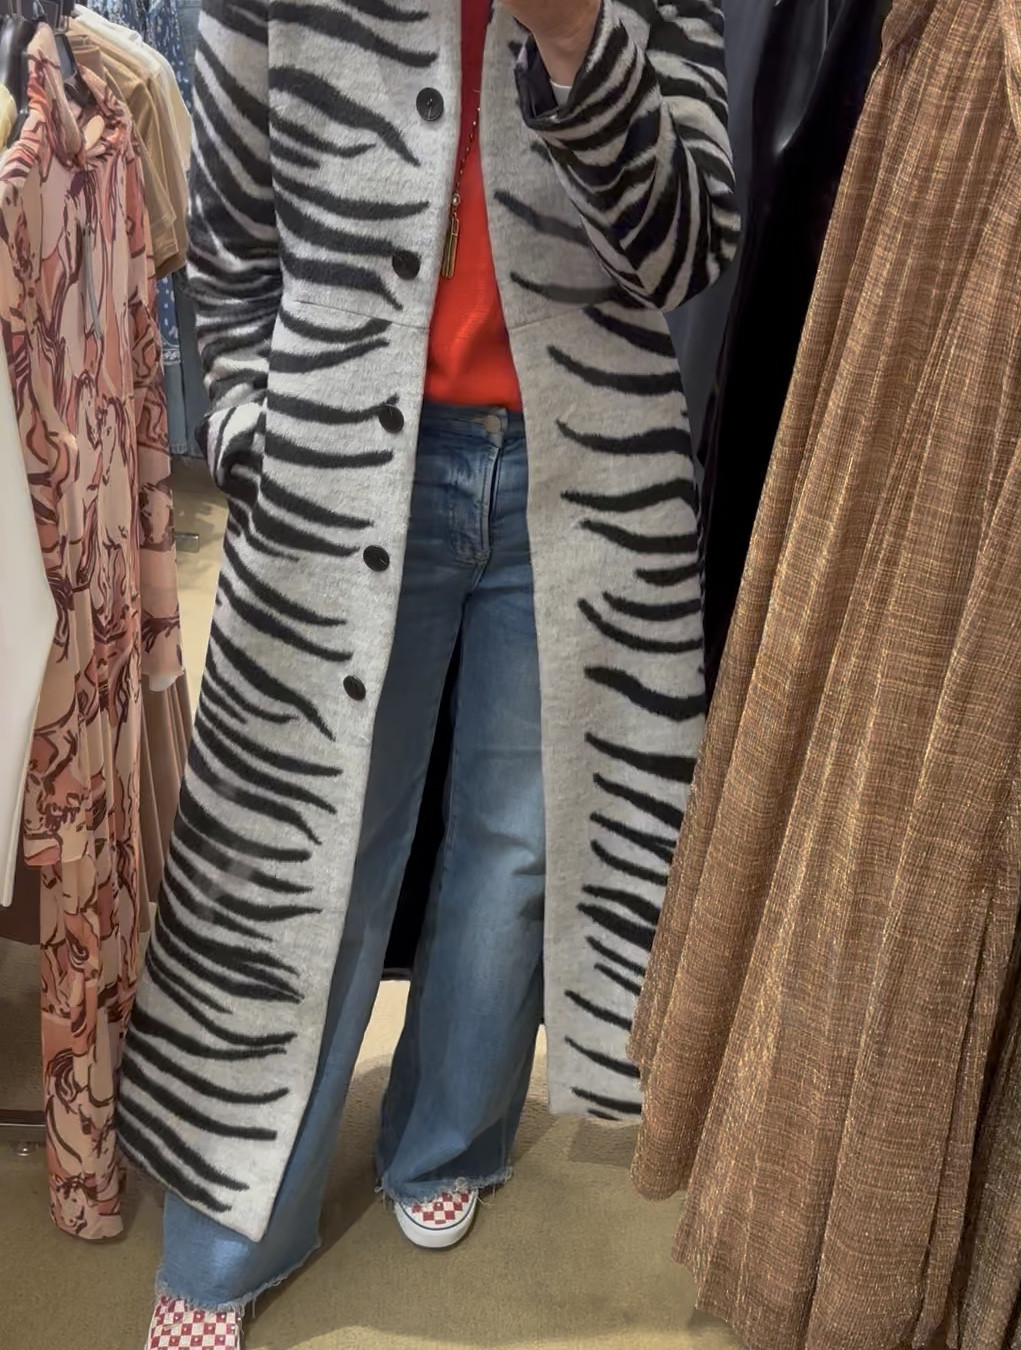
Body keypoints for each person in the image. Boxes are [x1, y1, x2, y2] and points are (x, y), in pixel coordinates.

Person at [120, 0, 737, 1343]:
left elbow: (692, 249)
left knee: (519, 845)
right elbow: (228, 239)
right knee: (306, 846)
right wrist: (254, 435)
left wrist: (578, 42)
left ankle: (451, 1133)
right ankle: (227, 1234)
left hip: (581, 471)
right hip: (345, 469)